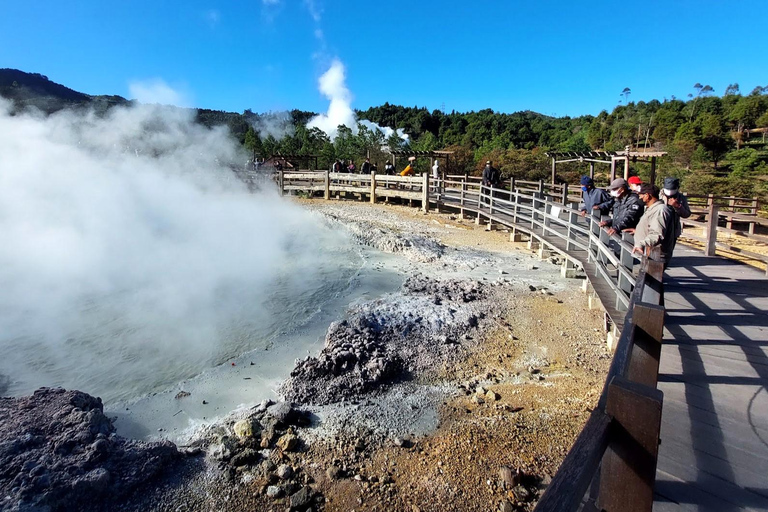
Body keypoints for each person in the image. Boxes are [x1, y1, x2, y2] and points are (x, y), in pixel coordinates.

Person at [632, 184, 676, 268]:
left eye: (640, 195)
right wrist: (638, 231)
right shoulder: (653, 208)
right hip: (650, 253)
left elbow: (657, 234)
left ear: (647, 195)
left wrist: (641, 244)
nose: (639, 198)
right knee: (645, 280)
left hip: (655, 255)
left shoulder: (660, 210)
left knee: (651, 280)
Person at [659, 177, 691, 252]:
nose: (670, 192)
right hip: (659, 228)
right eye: (668, 189)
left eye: (672, 189)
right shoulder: (657, 196)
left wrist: (678, 206)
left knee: (668, 252)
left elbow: (687, 214)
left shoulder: (681, 198)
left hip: (674, 229)